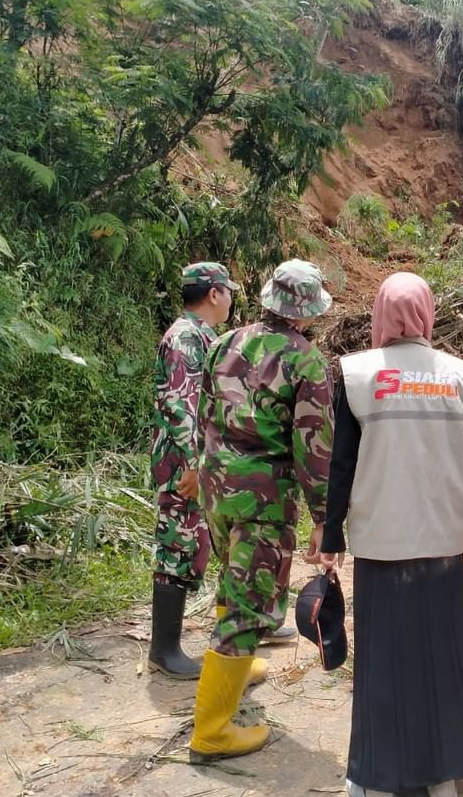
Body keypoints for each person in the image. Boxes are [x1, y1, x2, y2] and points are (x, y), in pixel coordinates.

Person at [319, 272, 463, 797]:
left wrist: (331, 535)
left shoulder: (357, 374)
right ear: (427, 314)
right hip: (442, 541)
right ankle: (443, 777)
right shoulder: (459, 375)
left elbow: (340, 465)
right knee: (443, 662)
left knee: (382, 662)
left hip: (380, 539)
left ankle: (375, 778)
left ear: (381, 315)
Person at [188, 259, 334, 762]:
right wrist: (325, 518)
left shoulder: (226, 343)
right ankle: (211, 731)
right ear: (308, 311)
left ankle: (238, 662)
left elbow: (204, 412)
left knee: (233, 580)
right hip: (262, 497)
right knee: (250, 599)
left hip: (215, 485)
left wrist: (201, 471)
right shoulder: (307, 362)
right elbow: (314, 450)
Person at [148, 262, 235, 679]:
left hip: (196, 461)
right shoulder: (185, 337)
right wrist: (193, 464)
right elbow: (177, 403)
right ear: (214, 293)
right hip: (183, 465)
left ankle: (188, 642)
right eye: (228, 290)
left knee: (194, 543)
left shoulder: (201, 336)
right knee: (176, 544)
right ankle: (164, 650)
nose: (231, 299)